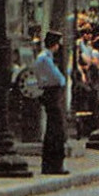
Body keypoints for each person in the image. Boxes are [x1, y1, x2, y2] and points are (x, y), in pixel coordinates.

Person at [32, 31, 69, 174]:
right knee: (55, 130)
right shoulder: (45, 58)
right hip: (51, 95)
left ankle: (54, 164)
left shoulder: (46, 57)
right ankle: (53, 165)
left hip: (50, 94)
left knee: (54, 129)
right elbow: (59, 78)